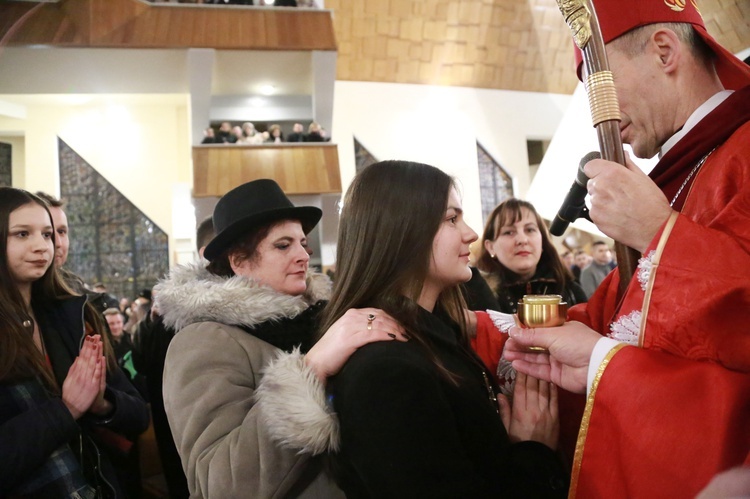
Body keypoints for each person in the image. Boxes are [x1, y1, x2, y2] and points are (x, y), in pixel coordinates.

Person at [504, 0, 750, 497]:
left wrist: (659, 231)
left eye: (601, 86)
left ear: (663, 51)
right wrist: (489, 328)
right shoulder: (685, 169)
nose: (603, 121)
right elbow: (617, 313)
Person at [318, 160, 568, 498]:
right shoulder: (387, 369)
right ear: (403, 231)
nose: (471, 234)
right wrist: (533, 453)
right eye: (452, 219)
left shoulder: (435, 333)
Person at [158, 179, 407, 497]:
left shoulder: (322, 320)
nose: (303, 254)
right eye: (283, 245)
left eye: (303, 243)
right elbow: (223, 483)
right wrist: (309, 371)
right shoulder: (203, 341)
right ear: (239, 261)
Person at [0, 187, 149, 497]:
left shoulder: (71, 315)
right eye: (22, 234)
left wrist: (101, 403)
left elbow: (138, 414)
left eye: (48, 234)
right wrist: (66, 408)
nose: (42, 246)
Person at [476, 198, 587, 313]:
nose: (522, 240)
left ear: (542, 241)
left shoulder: (571, 292)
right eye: (508, 232)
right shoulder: (478, 298)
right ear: (491, 247)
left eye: (529, 230)